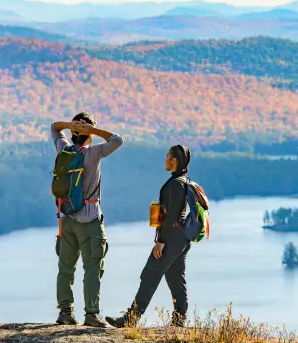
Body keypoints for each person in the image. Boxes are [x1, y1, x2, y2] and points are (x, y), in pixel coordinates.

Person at [106, 145, 193, 328]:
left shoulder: (177, 184)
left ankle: (130, 320)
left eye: (167, 156)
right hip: (181, 238)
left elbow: (172, 216)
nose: (165, 159)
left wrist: (160, 241)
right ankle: (179, 320)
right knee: (176, 277)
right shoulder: (183, 180)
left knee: (150, 275)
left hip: (171, 238)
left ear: (174, 160)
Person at [51, 112, 124, 327]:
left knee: (66, 268)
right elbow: (117, 140)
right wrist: (92, 130)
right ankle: (92, 314)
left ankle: (65, 313)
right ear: (89, 134)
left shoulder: (63, 150)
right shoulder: (93, 153)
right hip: (89, 220)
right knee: (92, 268)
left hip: (66, 220)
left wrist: (70, 125)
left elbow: (54, 127)